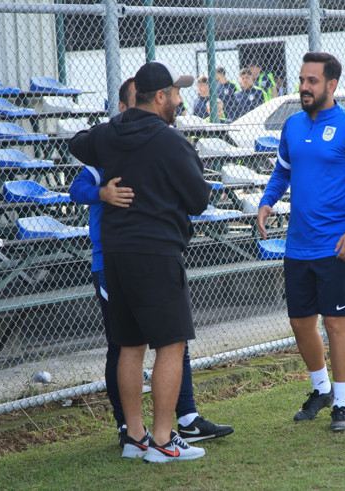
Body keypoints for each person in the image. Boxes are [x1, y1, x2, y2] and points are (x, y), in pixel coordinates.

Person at [69, 76, 234, 452]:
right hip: (156, 254)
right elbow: (198, 200)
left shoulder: (112, 133)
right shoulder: (171, 140)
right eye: (176, 94)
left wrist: (114, 134)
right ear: (159, 97)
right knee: (171, 345)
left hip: (114, 254)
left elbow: (77, 142)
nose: (180, 100)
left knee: (130, 346)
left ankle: (134, 436)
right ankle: (162, 441)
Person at [257, 52, 345, 432]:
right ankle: (321, 389)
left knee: (336, 324)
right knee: (300, 322)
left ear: (331, 85)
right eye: (302, 79)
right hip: (298, 246)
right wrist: (266, 201)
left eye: (312, 81)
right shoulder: (292, 125)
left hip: (336, 245)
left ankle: (342, 404)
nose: (304, 87)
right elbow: (282, 171)